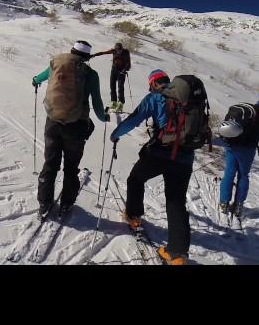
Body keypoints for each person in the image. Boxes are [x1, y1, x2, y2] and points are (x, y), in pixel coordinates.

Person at [109, 69, 195, 265]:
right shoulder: (188, 100)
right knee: (176, 203)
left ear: (153, 83)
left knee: (136, 179)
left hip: (159, 154)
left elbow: (134, 119)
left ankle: (133, 216)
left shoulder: (155, 98)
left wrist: (116, 134)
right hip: (185, 158)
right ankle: (177, 255)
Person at [32, 40, 109, 217]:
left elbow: (40, 77)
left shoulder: (56, 65)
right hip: (76, 127)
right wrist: (103, 117)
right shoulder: (90, 74)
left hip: (53, 123)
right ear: (87, 57)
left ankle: (44, 204)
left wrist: (35, 81)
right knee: (71, 166)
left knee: (50, 164)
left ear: (72, 51)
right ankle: (66, 204)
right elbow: (96, 103)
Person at [91, 42, 131, 113]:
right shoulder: (114, 51)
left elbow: (128, 63)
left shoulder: (125, 52)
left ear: (122, 49)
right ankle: (114, 103)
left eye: (120, 50)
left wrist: (124, 70)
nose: (119, 51)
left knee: (120, 88)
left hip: (121, 72)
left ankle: (120, 104)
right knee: (112, 87)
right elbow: (103, 53)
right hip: (114, 71)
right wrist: (94, 55)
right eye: (117, 50)